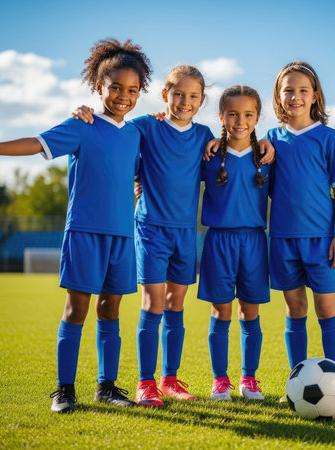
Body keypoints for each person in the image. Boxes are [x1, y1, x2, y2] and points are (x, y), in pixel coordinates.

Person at [74, 66, 275, 407]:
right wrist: (85, 113)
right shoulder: (145, 126)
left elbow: (231, 151)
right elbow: (115, 126)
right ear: (165, 95)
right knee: (152, 304)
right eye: (178, 94)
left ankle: (169, 379)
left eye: (193, 96)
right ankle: (145, 383)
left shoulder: (205, 139)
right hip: (150, 229)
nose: (184, 101)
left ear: (201, 101)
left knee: (175, 304)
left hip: (185, 234)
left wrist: (266, 141)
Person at [0, 39, 152, 413]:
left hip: (122, 236)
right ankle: (64, 391)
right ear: (98, 86)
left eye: (132, 90)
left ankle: (107, 387)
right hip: (84, 231)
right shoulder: (81, 125)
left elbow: (145, 168)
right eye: (115, 87)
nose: (123, 96)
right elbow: (36, 144)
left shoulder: (136, 134)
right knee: (76, 308)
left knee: (111, 309)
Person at [266, 61, 335, 374]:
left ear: (315, 95)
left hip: (322, 240)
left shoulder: (329, 138)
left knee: (326, 307)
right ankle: (297, 378)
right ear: (279, 95)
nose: (295, 96)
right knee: (294, 308)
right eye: (288, 90)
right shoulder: (272, 138)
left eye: (303, 90)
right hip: (284, 239)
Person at [198, 85, 271, 401]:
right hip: (219, 241)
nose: (240, 121)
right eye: (232, 114)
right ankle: (220, 381)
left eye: (248, 114)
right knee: (220, 312)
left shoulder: (266, 156)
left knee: (250, 312)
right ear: (221, 116)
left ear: (257, 118)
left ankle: (249, 379)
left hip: (254, 242)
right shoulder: (210, 153)